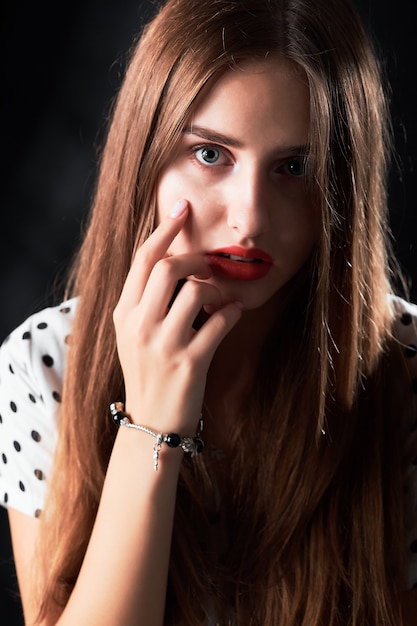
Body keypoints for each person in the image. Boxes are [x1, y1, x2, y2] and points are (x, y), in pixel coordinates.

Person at [0, 0, 416, 623]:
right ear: (145, 158)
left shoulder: (404, 368)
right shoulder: (44, 363)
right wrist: (149, 428)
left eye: (294, 168)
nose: (248, 218)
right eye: (211, 155)